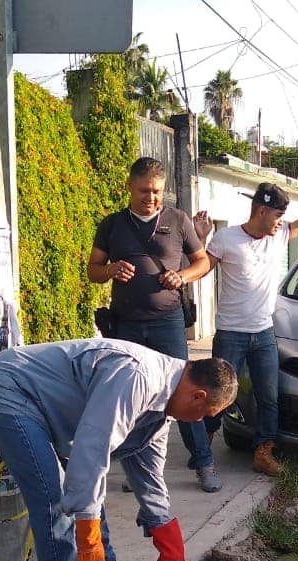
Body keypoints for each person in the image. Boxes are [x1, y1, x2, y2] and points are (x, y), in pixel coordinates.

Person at [0, 340, 237, 561]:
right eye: (205, 412)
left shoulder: (162, 409)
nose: (200, 421)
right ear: (198, 395)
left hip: (46, 405)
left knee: (86, 491)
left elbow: (149, 477)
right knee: (55, 500)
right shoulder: (137, 378)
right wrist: (88, 539)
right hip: (9, 392)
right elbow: (92, 451)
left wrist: (169, 546)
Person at [88, 158, 221, 493]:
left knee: (185, 392)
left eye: (157, 191)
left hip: (167, 323)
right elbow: (92, 270)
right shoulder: (112, 224)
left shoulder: (177, 220)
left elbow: (202, 261)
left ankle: (204, 464)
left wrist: (182, 276)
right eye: (145, 190)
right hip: (127, 326)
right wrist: (112, 270)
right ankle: (138, 468)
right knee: (135, 397)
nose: (151, 197)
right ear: (130, 187)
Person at [196, 183, 298, 476]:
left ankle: (263, 451)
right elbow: (203, 268)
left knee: (269, 395)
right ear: (261, 210)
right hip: (231, 333)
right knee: (219, 393)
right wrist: (200, 239)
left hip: (264, 333)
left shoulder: (280, 234)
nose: (281, 222)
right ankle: (202, 448)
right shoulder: (226, 238)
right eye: (277, 215)